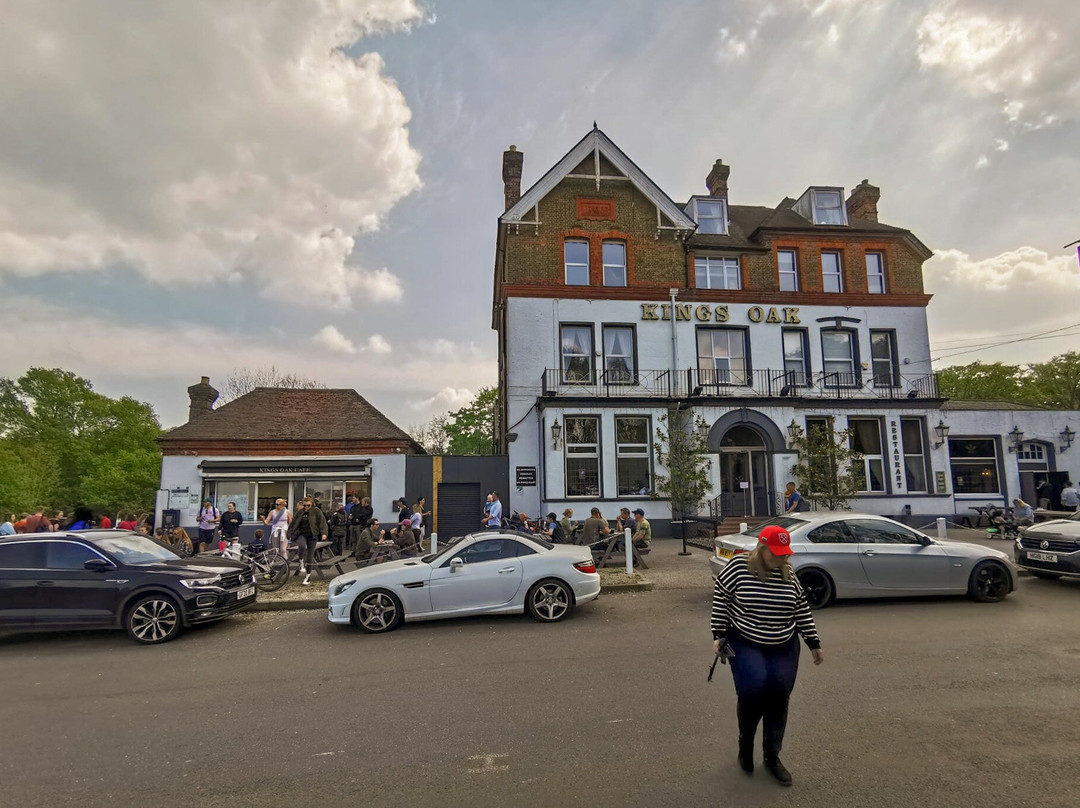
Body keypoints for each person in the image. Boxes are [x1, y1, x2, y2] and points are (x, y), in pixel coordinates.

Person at [711, 525, 824, 786]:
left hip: (783, 643)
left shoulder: (788, 573)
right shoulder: (739, 566)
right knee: (753, 690)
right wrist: (718, 633)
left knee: (778, 695)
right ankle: (745, 747)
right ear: (761, 549)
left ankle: (772, 757)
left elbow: (801, 608)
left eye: (786, 554)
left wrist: (813, 642)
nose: (782, 558)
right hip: (746, 640)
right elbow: (721, 598)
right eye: (777, 554)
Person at [288, 496, 328, 585]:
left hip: (312, 535)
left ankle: (308, 576)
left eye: (308, 505)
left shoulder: (316, 511)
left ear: (312, 504)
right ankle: (301, 561)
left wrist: (324, 533)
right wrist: (289, 534)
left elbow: (322, 522)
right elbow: (293, 523)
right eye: (304, 505)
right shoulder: (300, 512)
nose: (306, 507)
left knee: (310, 555)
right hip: (301, 533)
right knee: (301, 545)